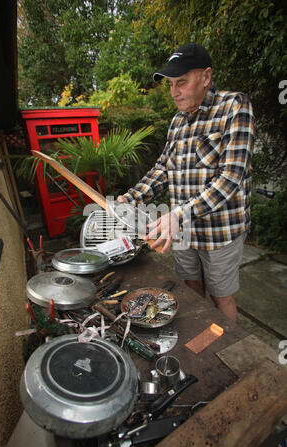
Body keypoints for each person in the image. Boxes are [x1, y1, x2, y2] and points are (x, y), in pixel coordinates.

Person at [117, 43, 255, 321]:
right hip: (182, 230)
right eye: (170, 84)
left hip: (220, 231)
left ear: (205, 78)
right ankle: (203, 334)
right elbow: (163, 169)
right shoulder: (177, 122)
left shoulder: (234, 107)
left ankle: (227, 345)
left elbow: (231, 178)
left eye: (181, 82)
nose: (174, 92)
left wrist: (179, 214)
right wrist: (130, 198)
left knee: (220, 295)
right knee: (191, 289)